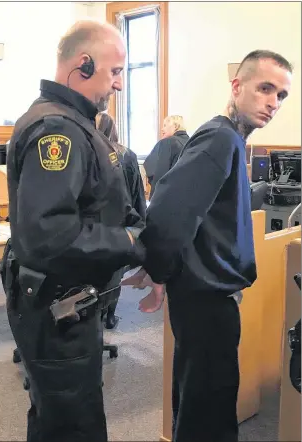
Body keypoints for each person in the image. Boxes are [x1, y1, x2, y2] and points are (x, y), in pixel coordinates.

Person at [122, 50, 293, 442]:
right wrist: (158, 272)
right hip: (206, 304)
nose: (273, 102)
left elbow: (194, 219)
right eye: (265, 88)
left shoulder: (230, 138)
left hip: (207, 299)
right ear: (237, 86)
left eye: (281, 95)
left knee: (201, 406)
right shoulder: (220, 137)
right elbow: (168, 210)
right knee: (208, 416)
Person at [2, 20, 145, 442]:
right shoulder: (59, 130)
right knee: (73, 424)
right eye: (115, 71)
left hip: (63, 299)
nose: (119, 84)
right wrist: (131, 243)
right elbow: (50, 233)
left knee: (57, 415)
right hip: (56, 304)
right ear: (84, 65)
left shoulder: (71, 121)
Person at [96, 112, 146, 328]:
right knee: (115, 269)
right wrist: (142, 224)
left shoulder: (89, 152)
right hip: (121, 219)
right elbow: (137, 194)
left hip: (94, 222)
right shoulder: (128, 155)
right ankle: (109, 315)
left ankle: (93, 312)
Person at [143, 115, 189, 199]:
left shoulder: (167, 143)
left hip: (168, 197)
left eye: (165, 125)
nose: (162, 129)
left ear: (175, 126)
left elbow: (157, 172)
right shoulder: (191, 142)